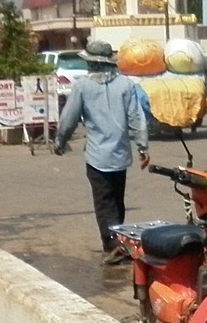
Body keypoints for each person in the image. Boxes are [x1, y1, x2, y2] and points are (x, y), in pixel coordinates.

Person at [52, 39, 149, 263]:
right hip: (120, 154)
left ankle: (112, 245)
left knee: (104, 202)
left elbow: (69, 117)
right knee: (116, 200)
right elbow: (136, 117)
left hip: (97, 156)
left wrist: (60, 140)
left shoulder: (83, 86)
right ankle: (118, 242)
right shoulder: (125, 85)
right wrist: (142, 146)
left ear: (92, 63)